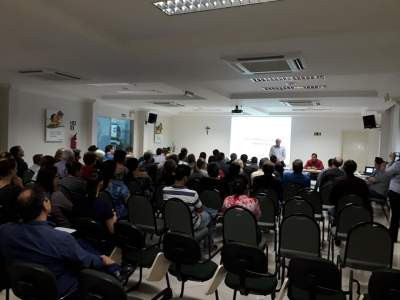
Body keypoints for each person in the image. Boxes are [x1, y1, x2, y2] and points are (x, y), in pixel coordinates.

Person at [0, 187, 118, 298]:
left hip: (23, 287)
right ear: (45, 205)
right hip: (59, 290)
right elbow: (86, 261)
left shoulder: (4, 230)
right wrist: (103, 260)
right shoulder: (61, 238)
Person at [163, 165, 212, 235]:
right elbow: (200, 210)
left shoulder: (165, 190)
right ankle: (208, 244)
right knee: (208, 215)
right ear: (185, 178)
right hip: (190, 225)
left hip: (172, 223)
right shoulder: (192, 194)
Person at [372, 159, 400, 242]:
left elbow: (387, 172)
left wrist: (391, 161)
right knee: (397, 215)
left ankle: (392, 236)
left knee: (395, 215)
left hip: (396, 191)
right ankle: (393, 234)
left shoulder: (398, 164)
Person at [0, 154, 23, 223]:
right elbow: (26, 203)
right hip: (9, 225)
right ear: (12, 170)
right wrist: (21, 185)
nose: (17, 170)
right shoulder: (15, 190)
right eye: (16, 168)